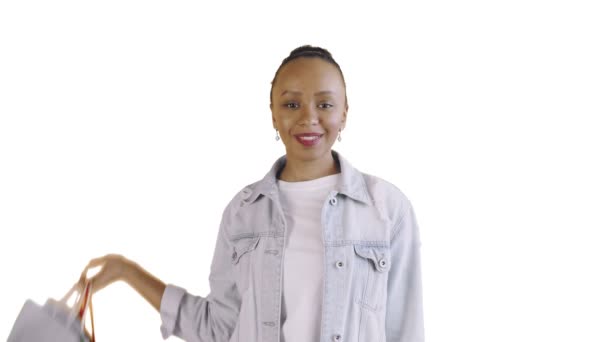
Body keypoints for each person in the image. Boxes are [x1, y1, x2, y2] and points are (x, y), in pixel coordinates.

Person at [78, 45, 425, 342]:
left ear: (345, 113)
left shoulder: (386, 208)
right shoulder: (243, 213)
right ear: (273, 114)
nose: (309, 118)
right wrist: (128, 272)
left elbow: (404, 331)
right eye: (291, 105)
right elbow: (219, 328)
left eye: (325, 104)